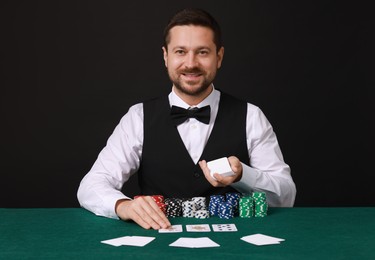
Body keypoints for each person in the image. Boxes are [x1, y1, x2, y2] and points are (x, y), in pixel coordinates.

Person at [77, 8, 296, 230]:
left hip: (233, 247)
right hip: (157, 245)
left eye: (202, 52)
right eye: (180, 51)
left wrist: (243, 175)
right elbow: (91, 185)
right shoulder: (138, 117)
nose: (190, 64)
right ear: (166, 56)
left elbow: (285, 196)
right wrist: (122, 206)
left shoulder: (251, 115)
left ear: (218, 57)